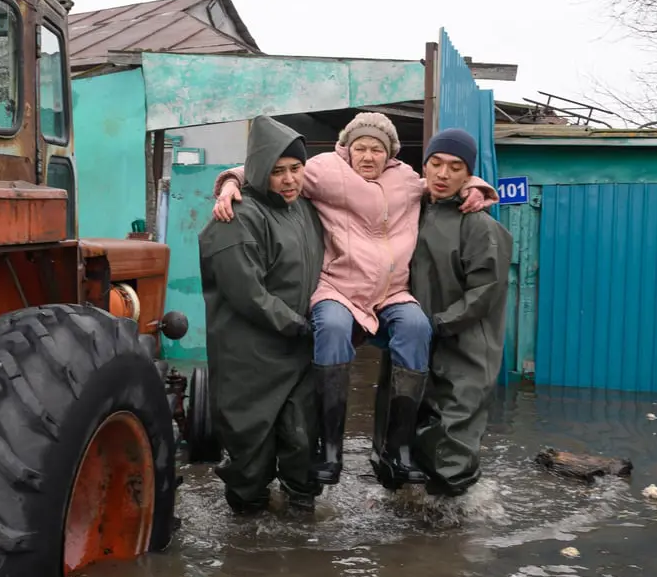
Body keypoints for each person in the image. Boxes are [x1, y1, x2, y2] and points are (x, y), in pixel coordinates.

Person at [211, 113, 498, 489]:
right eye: (360, 147)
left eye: (377, 149)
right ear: (346, 149)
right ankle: (330, 448)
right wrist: (231, 184)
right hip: (338, 287)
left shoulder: (408, 181)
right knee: (329, 327)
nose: (368, 156)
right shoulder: (324, 171)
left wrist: (475, 188)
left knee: (417, 327)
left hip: (391, 291)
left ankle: (398, 449)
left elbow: (446, 180)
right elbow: (268, 165)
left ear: (390, 154)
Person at [375, 126, 512, 496]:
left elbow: (485, 292)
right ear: (425, 165)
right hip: (413, 342)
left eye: (455, 167)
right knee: (400, 431)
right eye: (435, 163)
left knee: (453, 438)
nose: (443, 174)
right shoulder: (408, 211)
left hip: (464, 348)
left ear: (470, 173)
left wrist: (436, 324)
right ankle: (410, 531)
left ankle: (453, 535)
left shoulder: (481, 226)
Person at [198, 115, 325, 515]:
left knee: (302, 443)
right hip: (250, 359)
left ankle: (300, 535)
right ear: (258, 172)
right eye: (277, 171)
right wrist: (300, 325)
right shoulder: (235, 217)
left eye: (295, 169)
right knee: (249, 455)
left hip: (298, 352)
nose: (289, 180)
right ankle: (247, 547)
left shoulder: (303, 209)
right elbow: (248, 295)